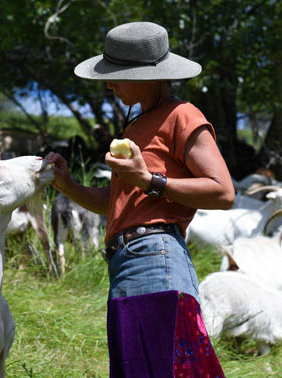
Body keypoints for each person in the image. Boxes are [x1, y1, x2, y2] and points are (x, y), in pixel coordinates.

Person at [45, 21, 235, 377]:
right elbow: (121, 202)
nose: (109, 84)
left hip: (154, 259)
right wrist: (68, 185)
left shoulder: (183, 115)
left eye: (117, 74)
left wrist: (149, 179)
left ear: (149, 76)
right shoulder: (135, 126)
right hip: (127, 264)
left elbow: (223, 191)